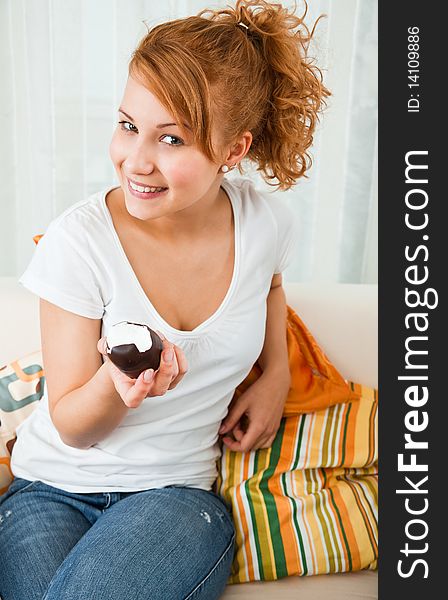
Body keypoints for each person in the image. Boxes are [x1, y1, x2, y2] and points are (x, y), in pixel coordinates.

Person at [0, 1, 330, 598]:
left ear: (234, 149)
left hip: (175, 499)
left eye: (171, 138)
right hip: (49, 490)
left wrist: (276, 374)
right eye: (128, 125)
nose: (137, 161)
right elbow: (74, 425)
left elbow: (272, 285)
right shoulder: (80, 242)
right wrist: (117, 385)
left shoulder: (265, 226)